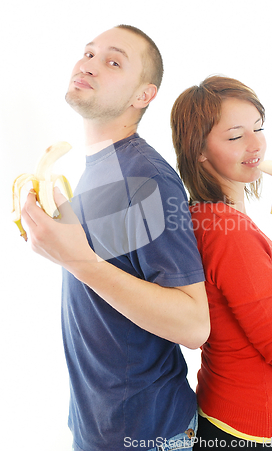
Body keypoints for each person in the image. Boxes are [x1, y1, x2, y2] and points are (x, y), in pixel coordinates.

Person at [21, 25, 210, 451]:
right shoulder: (97, 170)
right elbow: (107, 277)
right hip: (97, 428)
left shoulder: (146, 177)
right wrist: (61, 245)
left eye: (113, 61)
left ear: (143, 95)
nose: (89, 64)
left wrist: (76, 259)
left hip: (150, 436)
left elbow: (195, 324)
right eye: (88, 53)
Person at [170, 76, 272, 450]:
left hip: (241, 424)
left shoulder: (212, 217)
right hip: (249, 435)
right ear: (199, 151)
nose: (256, 144)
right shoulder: (228, 232)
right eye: (235, 136)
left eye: (259, 128)